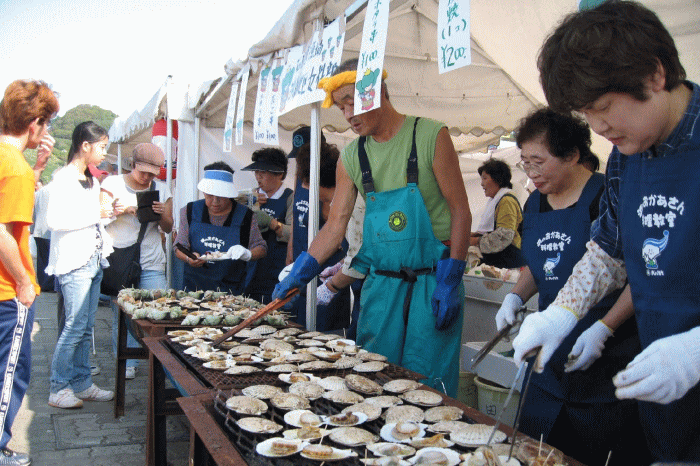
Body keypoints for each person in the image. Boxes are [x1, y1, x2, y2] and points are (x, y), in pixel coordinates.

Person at [511, 2, 700, 462]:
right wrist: (563, 312)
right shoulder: (626, 156)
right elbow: (609, 250)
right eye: (585, 113)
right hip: (660, 389)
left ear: (654, 75)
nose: (596, 126)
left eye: (602, 108)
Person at [274, 59, 471, 396]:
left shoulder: (430, 135)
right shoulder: (351, 157)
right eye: (340, 106)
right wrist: (301, 271)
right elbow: (335, 226)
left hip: (431, 283)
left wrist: (451, 276)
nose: (348, 113)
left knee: (429, 388)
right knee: (374, 380)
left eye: (352, 101)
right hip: (380, 287)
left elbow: (460, 211)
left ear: (378, 90)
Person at [496, 108, 647, 466]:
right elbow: (539, 263)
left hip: (605, 358)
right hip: (550, 355)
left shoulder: (605, 194)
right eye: (524, 163)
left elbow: (635, 273)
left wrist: (604, 327)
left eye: (538, 162)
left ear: (573, 155)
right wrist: (516, 297)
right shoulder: (534, 201)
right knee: (534, 451)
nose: (530, 173)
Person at [0, 79, 57, 465]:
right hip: (7, 292)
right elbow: (2, 229)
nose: (48, 132)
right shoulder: (14, 167)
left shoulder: (12, 163)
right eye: (48, 123)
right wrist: (23, 281)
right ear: (34, 122)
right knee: (9, 376)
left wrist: (36, 168)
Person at [45, 121, 114, 409]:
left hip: (93, 258)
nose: (103, 153)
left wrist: (107, 212)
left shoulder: (90, 179)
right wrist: (95, 212)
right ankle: (58, 387)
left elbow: (94, 218)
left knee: (86, 327)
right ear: (84, 146)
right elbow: (55, 222)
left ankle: (82, 383)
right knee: (73, 326)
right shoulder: (62, 179)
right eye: (101, 147)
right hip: (74, 262)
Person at [103, 143, 173, 379]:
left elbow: (169, 227)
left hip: (152, 261)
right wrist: (116, 211)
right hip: (120, 259)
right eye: (142, 171)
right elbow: (98, 217)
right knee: (123, 314)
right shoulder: (112, 184)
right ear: (132, 165)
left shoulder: (162, 190)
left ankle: (161, 359)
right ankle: (128, 362)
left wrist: (163, 212)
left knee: (159, 312)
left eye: (152, 174)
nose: (146, 178)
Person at [284, 138, 351, 332]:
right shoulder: (333, 199)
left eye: (324, 198)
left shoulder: (353, 203)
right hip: (336, 271)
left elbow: (360, 253)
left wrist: (330, 287)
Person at [173, 161, 266, 294]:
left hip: (231, 290)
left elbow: (261, 248)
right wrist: (189, 258)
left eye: (221, 196)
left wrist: (247, 254)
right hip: (194, 289)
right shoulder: (190, 211)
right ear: (204, 192)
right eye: (210, 195)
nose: (215, 201)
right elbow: (179, 246)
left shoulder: (246, 216)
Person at [240, 148, 292, 303]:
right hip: (249, 268)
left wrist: (272, 223)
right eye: (256, 171)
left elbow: (293, 233)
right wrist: (242, 201)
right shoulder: (248, 195)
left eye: (263, 172)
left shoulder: (290, 197)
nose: (258, 176)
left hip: (276, 267)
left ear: (279, 174)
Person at [470, 159, 525, 269]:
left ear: (498, 179)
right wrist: (475, 235)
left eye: (485, 178)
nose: (482, 183)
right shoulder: (496, 201)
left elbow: (504, 236)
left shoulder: (506, 201)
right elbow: (493, 230)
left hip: (508, 264)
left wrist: (475, 241)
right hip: (499, 262)